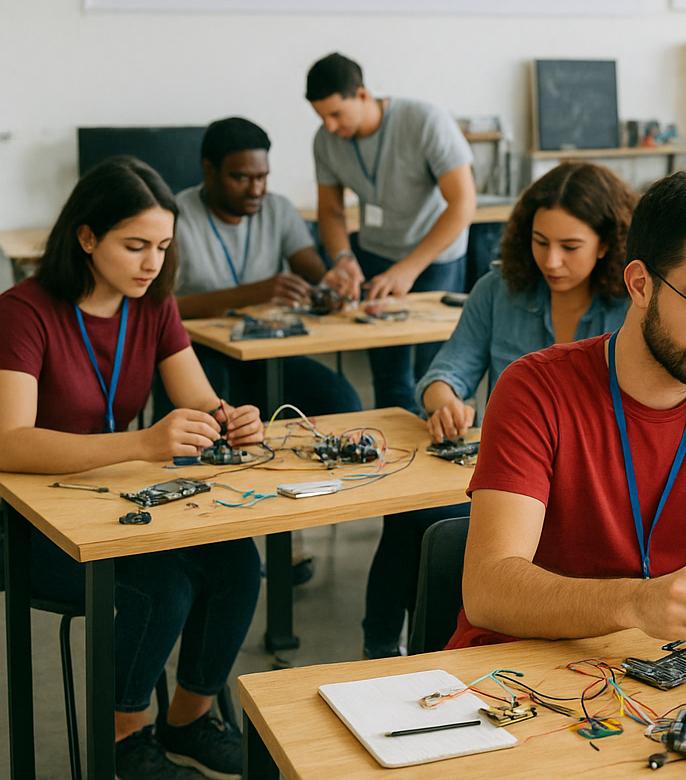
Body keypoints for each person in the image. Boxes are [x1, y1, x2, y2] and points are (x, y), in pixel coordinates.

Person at [446, 171, 686, 649]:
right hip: (512, 673)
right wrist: (636, 602)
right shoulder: (534, 389)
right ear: (640, 285)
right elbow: (487, 590)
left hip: (652, 670)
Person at [0, 157, 263, 780]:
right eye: (136, 245)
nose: (152, 263)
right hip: (32, 524)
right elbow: (9, 443)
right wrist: (141, 444)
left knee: (237, 564)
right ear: (86, 238)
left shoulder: (152, 304)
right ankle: (125, 738)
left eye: (164, 246)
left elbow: (197, 398)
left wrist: (230, 419)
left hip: (110, 503)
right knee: (161, 586)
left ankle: (190, 718)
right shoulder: (23, 311)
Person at [361, 162, 635, 658]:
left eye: (570, 247)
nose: (551, 260)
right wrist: (443, 399)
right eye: (539, 241)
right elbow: (446, 372)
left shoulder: (632, 308)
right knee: (407, 518)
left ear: (608, 244)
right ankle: (380, 654)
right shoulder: (497, 290)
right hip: (508, 482)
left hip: (592, 491)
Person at [306, 52, 476, 413]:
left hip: (435, 259)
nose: (330, 126)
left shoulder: (425, 121)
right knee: (388, 375)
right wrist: (344, 258)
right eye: (321, 116)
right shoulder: (325, 141)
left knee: (436, 373)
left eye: (336, 114)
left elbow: (463, 203)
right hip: (375, 254)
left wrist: (409, 268)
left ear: (363, 95)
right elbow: (331, 211)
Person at [168, 116, 361, 418]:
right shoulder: (175, 217)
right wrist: (253, 293)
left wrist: (329, 279)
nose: (256, 190)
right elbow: (162, 308)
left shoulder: (277, 208)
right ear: (209, 170)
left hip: (266, 352)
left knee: (341, 401)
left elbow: (306, 261)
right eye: (242, 178)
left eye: (263, 177)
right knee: (217, 421)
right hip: (198, 355)